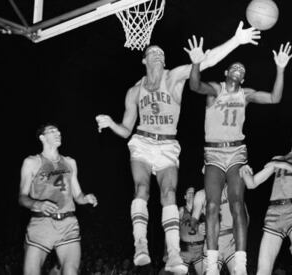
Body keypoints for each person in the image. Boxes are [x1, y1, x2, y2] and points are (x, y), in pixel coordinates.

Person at [95, 21, 260, 274]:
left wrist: (236, 40)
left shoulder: (173, 77)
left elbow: (207, 61)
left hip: (167, 145)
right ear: (144, 60)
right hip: (141, 141)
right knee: (141, 188)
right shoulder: (134, 91)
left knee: (169, 193)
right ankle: (141, 245)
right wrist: (111, 123)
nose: (158, 55)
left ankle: (173, 254)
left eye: (161, 53)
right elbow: (126, 129)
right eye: (153, 52)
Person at [188, 41, 292, 275]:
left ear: (243, 79)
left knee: (237, 204)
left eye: (242, 70)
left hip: (236, 151)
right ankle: (212, 263)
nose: (239, 69)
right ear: (226, 73)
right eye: (234, 67)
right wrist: (196, 63)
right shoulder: (216, 89)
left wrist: (280, 68)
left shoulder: (246, 95)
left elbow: (275, 98)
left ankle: (240, 263)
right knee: (213, 205)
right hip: (214, 152)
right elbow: (194, 86)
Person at [240, 124, 292, 275]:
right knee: (262, 270)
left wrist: (284, 165)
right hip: (274, 212)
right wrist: (244, 171)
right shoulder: (277, 159)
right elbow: (252, 184)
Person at [19, 123, 98, 275]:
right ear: (42, 137)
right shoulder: (31, 162)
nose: (58, 133)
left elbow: (77, 196)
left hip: (68, 224)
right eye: (52, 131)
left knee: (70, 272)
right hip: (41, 223)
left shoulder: (70, 162)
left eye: (58, 131)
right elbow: (22, 197)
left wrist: (86, 198)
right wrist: (36, 203)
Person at [191, 184, 249, 275]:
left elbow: (245, 217)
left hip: (232, 242)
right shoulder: (201, 194)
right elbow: (193, 220)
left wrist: (239, 235)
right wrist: (198, 226)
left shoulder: (232, 188)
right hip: (213, 242)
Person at [178, 187, 205, 275]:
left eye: (193, 193)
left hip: (199, 250)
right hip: (185, 251)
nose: (192, 195)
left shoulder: (201, 211)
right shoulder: (181, 210)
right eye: (189, 193)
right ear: (185, 196)